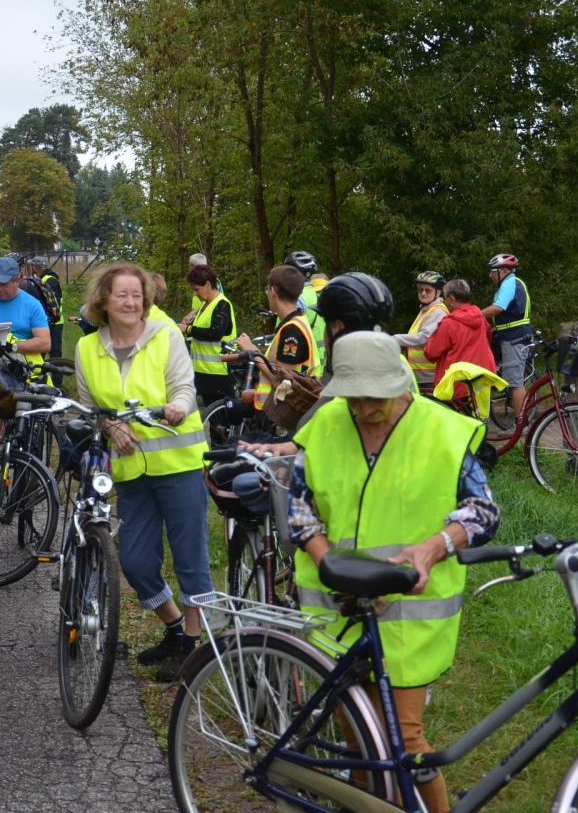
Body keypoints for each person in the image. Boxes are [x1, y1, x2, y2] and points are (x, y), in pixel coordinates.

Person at [286, 331, 499, 813]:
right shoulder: (324, 426)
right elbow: (299, 510)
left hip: (410, 614)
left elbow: (484, 512)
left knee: (404, 739)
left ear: (400, 382)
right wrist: (333, 567)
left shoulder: (442, 430)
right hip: (336, 609)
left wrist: (434, 547)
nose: (364, 409)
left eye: (374, 398)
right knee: (357, 736)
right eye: (353, 398)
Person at [74, 263, 213, 682]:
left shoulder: (166, 335)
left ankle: (193, 644)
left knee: (190, 558)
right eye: (122, 295)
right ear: (103, 300)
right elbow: (91, 408)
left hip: (179, 464)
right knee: (135, 562)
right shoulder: (87, 349)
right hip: (131, 470)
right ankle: (175, 628)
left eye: (137, 295)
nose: (131, 302)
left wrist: (179, 408)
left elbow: (185, 388)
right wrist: (111, 426)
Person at [231, 271, 395, 513]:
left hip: (344, 495)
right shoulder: (395, 372)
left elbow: (290, 390)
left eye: (327, 324)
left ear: (338, 328)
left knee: (248, 485)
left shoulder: (349, 383)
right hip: (375, 494)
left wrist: (254, 353)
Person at [234, 265, 320, 418]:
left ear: (273, 292)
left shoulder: (292, 330)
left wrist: (253, 352)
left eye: (267, 290)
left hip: (281, 412)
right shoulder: (298, 320)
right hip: (282, 408)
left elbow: (281, 381)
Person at [424, 279, 497, 405]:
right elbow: (488, 336)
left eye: (445, 296)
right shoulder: (480, 318)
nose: (444, 300)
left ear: (452, 299)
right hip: (481, 379)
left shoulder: (449, 323)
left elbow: (431, 352)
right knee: (480, 415)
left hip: (457, 384)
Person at [481, 253, 532, 419]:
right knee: (513, 381)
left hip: (514, 338)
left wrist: (473, 315)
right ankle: (522, 423)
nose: (490, 275)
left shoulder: (510, 283)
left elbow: (498, 308)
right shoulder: (509, 283)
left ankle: (521, 425)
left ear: (503, 270)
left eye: (492, 271)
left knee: (515, 384)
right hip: (511, 337)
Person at [178, 263, 237, 407]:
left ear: (208, 285)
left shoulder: (222, 305)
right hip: (202, 371)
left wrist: (188, 329)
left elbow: (215, 333)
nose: (195, 294)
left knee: (221, 417)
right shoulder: (205, 305)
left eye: (196, 289)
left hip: (218, 371)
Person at [0, 255, 51, 365]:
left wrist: (13, 347)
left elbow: (44, 343)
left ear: (17, 281)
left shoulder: (32, 305)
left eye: (4, 284)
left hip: (21, 368)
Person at [393, 271, 449, 394]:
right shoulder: (426, 310)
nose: (423, 293)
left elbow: (424, 337)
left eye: (428, 290)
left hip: (429, 375)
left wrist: (396, 339)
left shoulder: (438, 312)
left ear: (438, 292)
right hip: (420, 374)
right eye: (420, 290)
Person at [285, 251, 328, 369]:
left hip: (299, 367)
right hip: (317, 363)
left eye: (289, 272)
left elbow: (290, 334)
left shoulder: (298, 298)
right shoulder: (317, 296)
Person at [25, 256, 65, 364]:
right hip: (50, 320)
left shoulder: (49, 280)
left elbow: (53, 303)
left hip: (54, 321)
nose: (31, 268)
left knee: (55, 352)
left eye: (31, 266)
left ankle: (57, 375)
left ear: (35, 267)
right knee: (42, 351)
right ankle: (41, 372)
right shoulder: (46, 278)